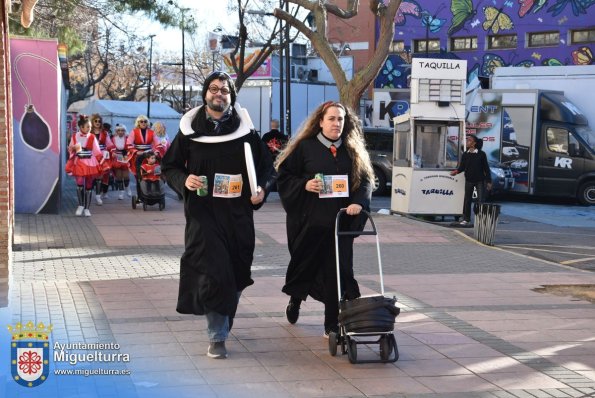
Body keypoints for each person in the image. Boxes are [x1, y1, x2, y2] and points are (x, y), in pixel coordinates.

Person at [161, 71, 274, 359]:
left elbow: (267, 171)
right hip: (203, 215)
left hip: (237, 214)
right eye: (214, 89)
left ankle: (223, 315)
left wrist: (261, 189)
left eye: (224, 90)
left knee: (236, 273)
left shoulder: (246, 132)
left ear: (231, 96)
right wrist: (184, 180)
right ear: (205, 94)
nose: (219, 94)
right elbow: (170, 167)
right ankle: (217, 336)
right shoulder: (189, 132)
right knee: (215, 272)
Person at [275, 101, 374, 337]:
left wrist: (358, 202)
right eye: (331, 119)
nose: (336, 123)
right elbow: (285, 177)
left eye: (340, 119)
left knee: (337, 273)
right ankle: (295, 299)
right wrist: (304, 185)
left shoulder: (352, 151)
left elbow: (366, 181)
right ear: (320, 122)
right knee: (305, 267)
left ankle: (331, 325)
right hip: (310, 223)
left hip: (340, 225)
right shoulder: (304, 148)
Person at [450, 135, 492, 226]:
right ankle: (466, 219)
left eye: (469, 140)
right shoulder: (465, 154)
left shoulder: (481, 154)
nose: (467, 141)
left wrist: (489, 181)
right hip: (469, 180)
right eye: (467, 140)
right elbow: (462, 167)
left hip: (480, 181)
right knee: (467, 200)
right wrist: (456, 172)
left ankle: (481, 220)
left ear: (474, 143)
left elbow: (486, 169)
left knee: (480, 201)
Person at [66, 115, 103, 217]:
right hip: (79, 161)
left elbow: (97, 151)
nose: (89, 129)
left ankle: (87, 208)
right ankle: (80, 205)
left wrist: (102, 161)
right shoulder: (74, 136)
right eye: (87, 127)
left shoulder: (92, 137)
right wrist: (73, 149)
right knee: (79, 182)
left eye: (90, 127)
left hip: (90, 162)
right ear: (81, 127)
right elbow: (70, 149)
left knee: (89, 184)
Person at [126, 115, 159, 200]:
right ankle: (140, 197)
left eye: (145, 121)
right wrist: (136, 151)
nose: (143, 123)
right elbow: (129, 144)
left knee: (153, 175)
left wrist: (156, 151)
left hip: (149, 156)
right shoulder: (134, 132)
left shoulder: (152, 132)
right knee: (139, 177)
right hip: (138, 156)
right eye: (141, 121)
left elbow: (157, 144)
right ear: (138, 123)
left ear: (147, 122)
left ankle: (153, 195)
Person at [90, 114, 114, 205]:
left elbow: (109, 144)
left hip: (102, 156)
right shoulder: (88, 132)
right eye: (95, 121)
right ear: (92, 122)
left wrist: (113, 151)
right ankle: (88, 193)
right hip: (91, 156)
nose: (97, 123)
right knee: (91, 176)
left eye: (99, 121)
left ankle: (98, 196)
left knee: (100, 176)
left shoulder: (104, 133)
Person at [110, 124, 132, 200]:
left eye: (122, 130)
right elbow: (110, 147)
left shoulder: (127, 138)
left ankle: (127, 188)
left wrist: (127, 154)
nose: (120, 132)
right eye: (119, 130)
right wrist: (113, 152)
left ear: (124, 131)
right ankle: (121, 192)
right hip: (116, 158)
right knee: (119, 176)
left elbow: (130, 147)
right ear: (116, 131)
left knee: (126, 176)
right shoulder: (113, 138)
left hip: (125, 157)